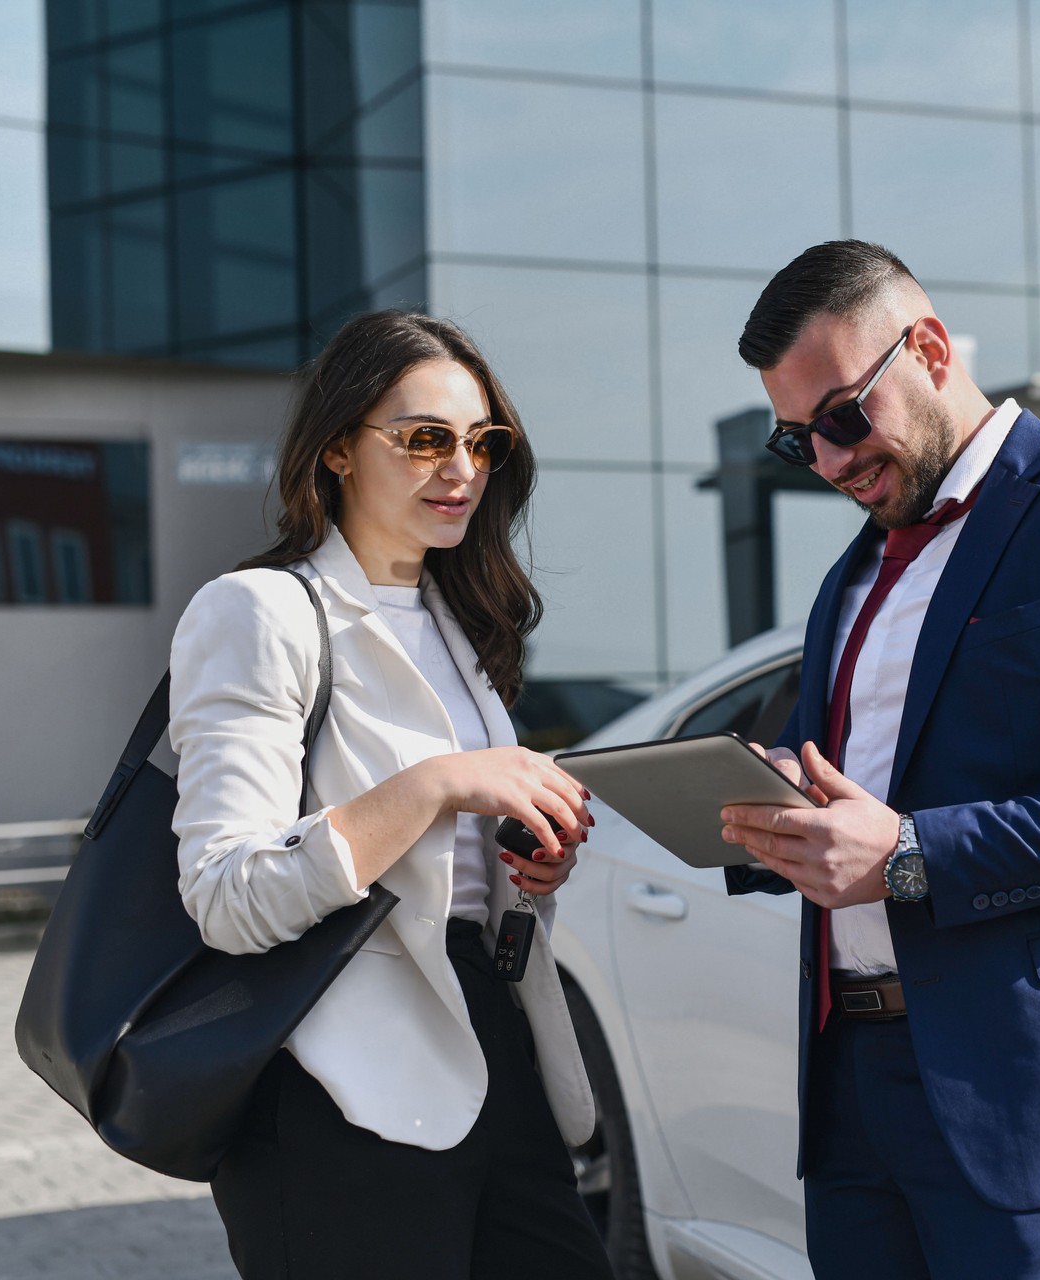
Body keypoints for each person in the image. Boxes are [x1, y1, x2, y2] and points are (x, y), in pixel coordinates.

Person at [719, 241, 1040, 1280]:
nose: (828, 461)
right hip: (853, 1080)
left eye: (839, 418)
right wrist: (779, 803)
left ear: (926, 347)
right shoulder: (851, 574)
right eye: (797, 440)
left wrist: (909, 852)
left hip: (1023, 1091)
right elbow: (868, 780)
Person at [166, 310, 614, 1280]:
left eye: (481, 441)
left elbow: (456, 869)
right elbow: (226, 891)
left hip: (494, 1037)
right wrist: (440, 784)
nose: (461, 465)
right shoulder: (258, 611)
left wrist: (529, 864)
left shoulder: (466, 626)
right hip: (338, 1075)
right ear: (336, 449)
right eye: (424, 438)